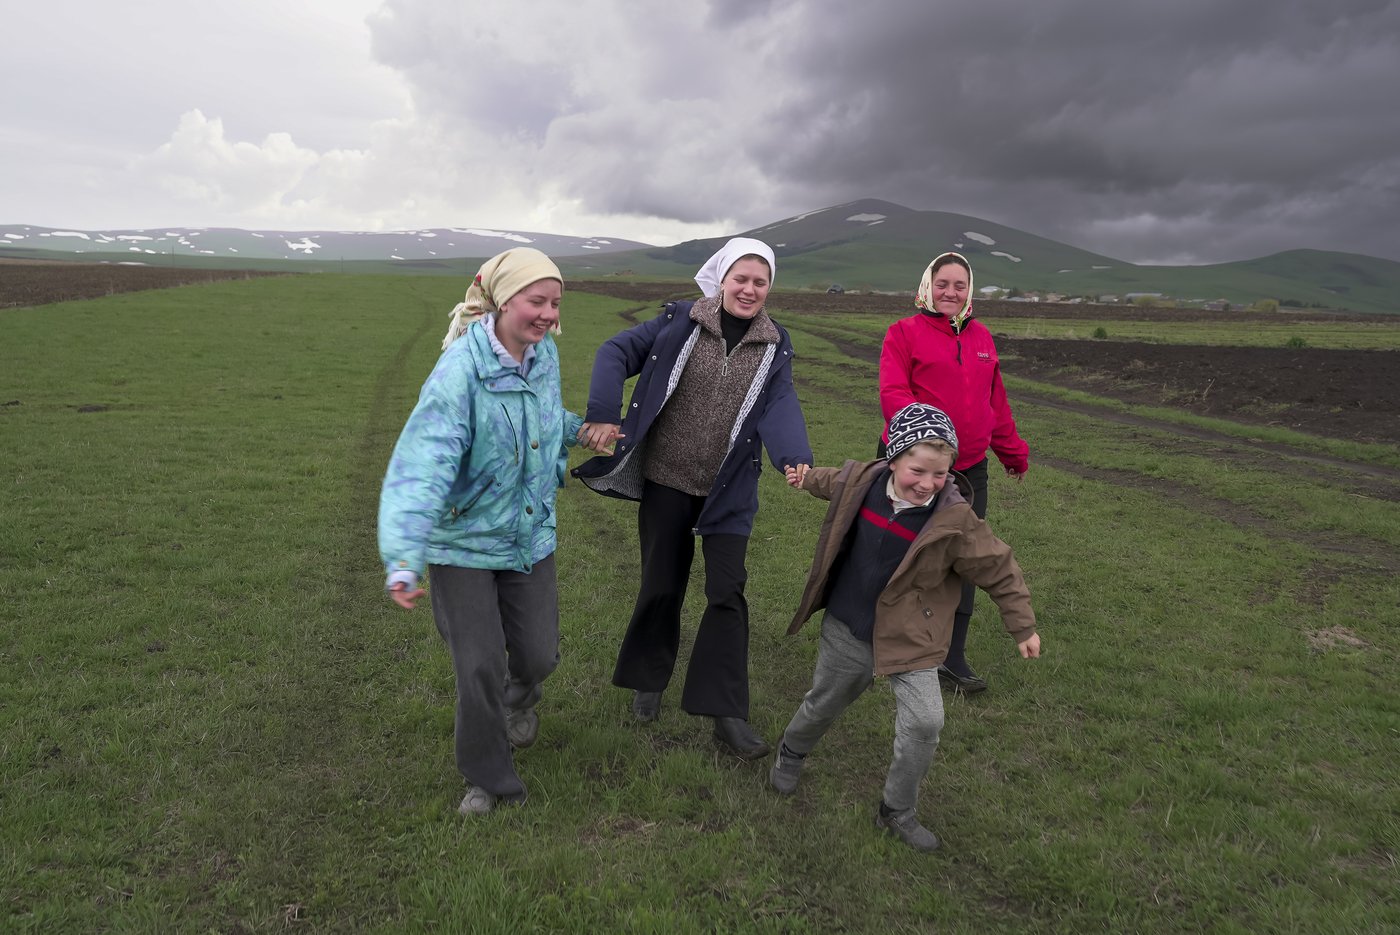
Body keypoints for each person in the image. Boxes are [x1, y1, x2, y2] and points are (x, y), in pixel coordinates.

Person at [378, 247, 609, 816]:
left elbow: (541, 417)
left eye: (555, 303)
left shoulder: (543, 354)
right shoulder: (459, 372)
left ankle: (518, 700)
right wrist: (404, 557)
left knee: (539, 655)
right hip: (462, 543)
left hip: (528, 534)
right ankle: (488, 777)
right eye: (537, 301)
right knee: (479, 664)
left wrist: (581, 431)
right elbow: (422, 465)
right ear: (504, 301)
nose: (549, 314)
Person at [573, 237, 813, 760]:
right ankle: (648, 679)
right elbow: (615, 351)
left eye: (760, 282)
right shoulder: (680, 321)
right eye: (741, 279)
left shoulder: (775, 343)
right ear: (722, 279)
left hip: (729, 489)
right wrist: (603, 411)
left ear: (769, 288)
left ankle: (725, 712)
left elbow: (780, 401)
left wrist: (793, 455)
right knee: (662, 584)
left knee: (727, 592)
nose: (749, 289)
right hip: (667, 479)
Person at [770, 402, 1042, 852]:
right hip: (850, 625)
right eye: (918, 470)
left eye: (940, 474)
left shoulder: (956, 519)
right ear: (893, 460)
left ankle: (896, 810)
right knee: (824, 701)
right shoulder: (862, 482)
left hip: (913, 635)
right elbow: (830, 481)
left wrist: (1023, 626)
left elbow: (999, 568)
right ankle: (792, 750)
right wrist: (804, 477)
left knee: (925, 721)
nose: (928, 484)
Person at [879, 252, 1030, 695]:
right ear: (928, 286)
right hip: (913, 465)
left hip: (968, 471)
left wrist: (1013, 453)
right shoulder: (903, 332)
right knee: (895, 552)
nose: (950, 292)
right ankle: (874, 639)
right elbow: (893, 392)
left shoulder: (982, 338)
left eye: (959, 285)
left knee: (964, 557)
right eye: (942, 284)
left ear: (969, 289)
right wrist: (926, 443)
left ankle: (951, 657)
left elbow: (994, 403)